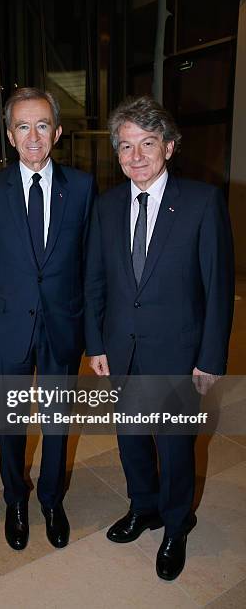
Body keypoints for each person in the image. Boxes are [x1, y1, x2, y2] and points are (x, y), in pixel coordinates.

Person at [85, 95, 234, 580]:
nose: (136, 156)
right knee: (130, 439)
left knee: (174, 445)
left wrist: (210, 357)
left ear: (168, 147)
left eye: (147, 143)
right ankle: (142, 507)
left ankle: (174, 523)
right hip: (121, 349)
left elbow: (218, 287)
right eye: (126, 146)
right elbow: (96, 283)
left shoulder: (201, 201)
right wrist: (97, 344)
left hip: (178, 352)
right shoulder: (106, 207)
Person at [0, 87, 95, 551]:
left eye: (42, 125)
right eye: (22, 126)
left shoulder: (82, 188)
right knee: (11, 420)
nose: (33, 136)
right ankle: (15, 499)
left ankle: (50, 499)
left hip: (63, 324)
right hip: (9, 326)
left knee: (58, 420)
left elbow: (89, 263)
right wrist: (10, 297)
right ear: (10, 135)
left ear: (57, 131)